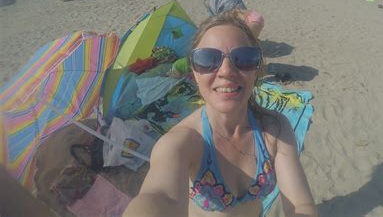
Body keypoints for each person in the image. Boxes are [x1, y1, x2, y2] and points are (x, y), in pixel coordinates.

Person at [124, 11, 317, 217]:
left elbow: (300, 204)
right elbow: (160, 198)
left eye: (243, 58)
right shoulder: (180, 143)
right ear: (195, 73)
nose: (226, 71)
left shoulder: (275, 128)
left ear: (257, 69)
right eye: (207, 59)